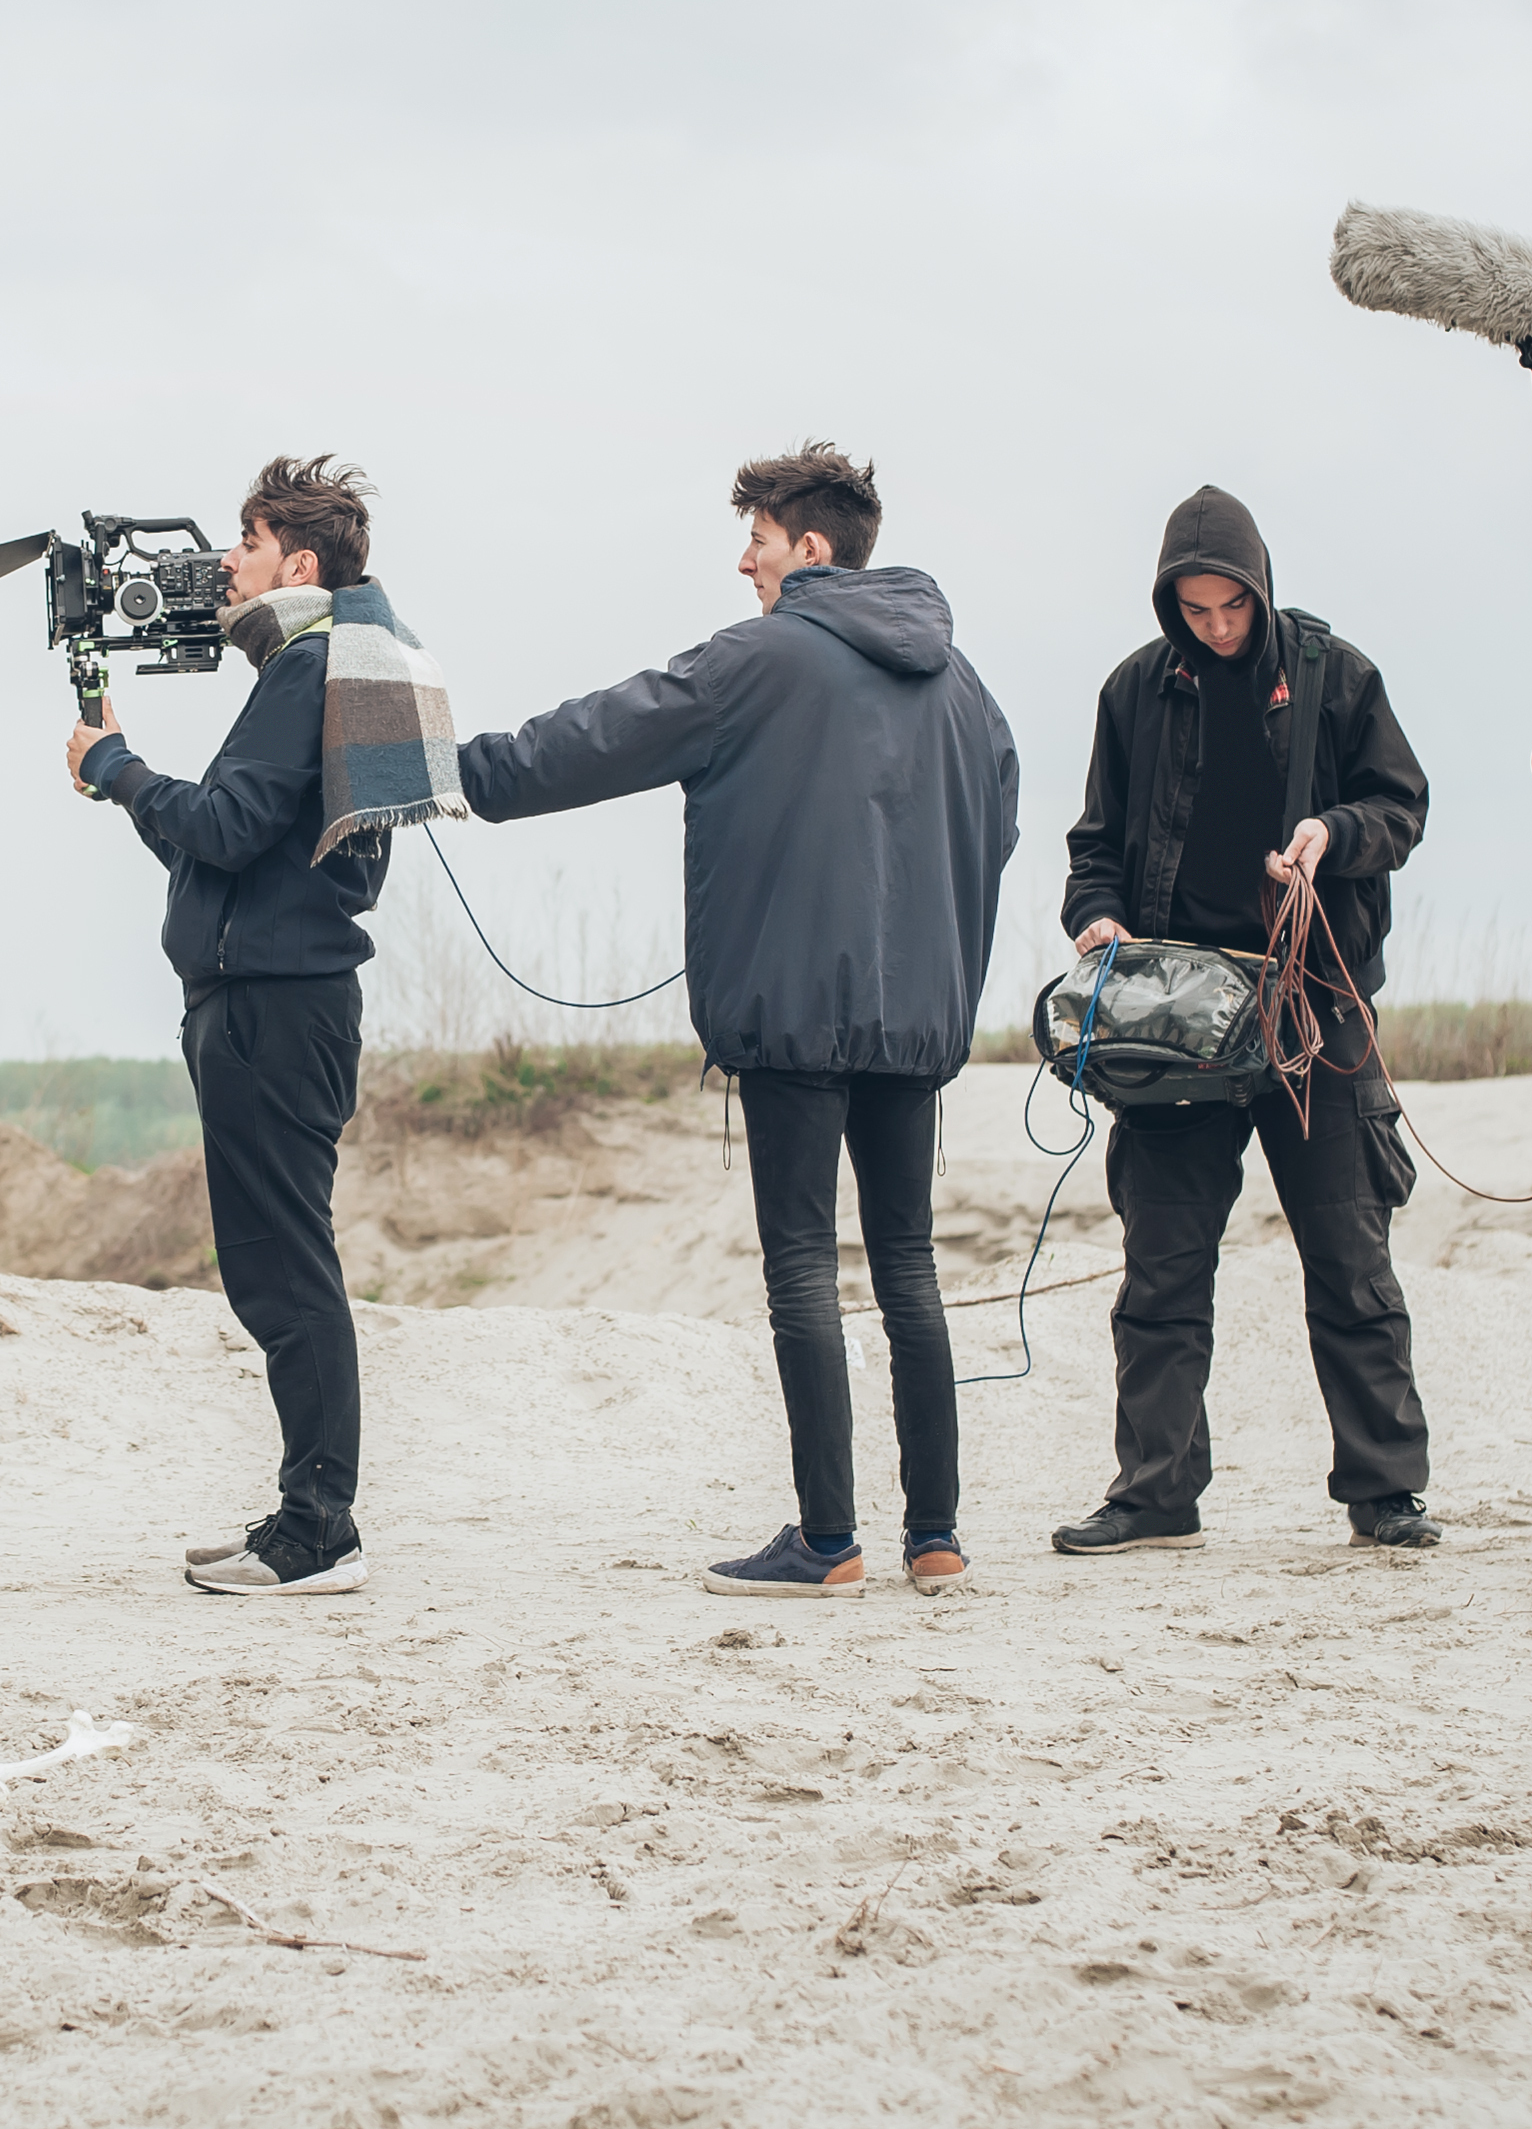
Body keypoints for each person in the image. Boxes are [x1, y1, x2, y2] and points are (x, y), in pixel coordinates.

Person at [453, 443, 1017, 1597]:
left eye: (756, 539)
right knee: (908, 1263)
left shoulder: (756, 659)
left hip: (794, 1012)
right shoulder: (967, 689)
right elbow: (995, 830)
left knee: (803, 1265)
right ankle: (937, 1535)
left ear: (810, 547)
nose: (742, 559)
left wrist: (459, 772)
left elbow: (603, 734)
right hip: (915, 1022)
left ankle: (825, 1541)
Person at [71, 456, 458, 1596]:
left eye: (242, 543)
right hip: (267, 999)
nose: (222, 566)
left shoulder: (306, 669)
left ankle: (320, 1533)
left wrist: (122, 766)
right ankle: (303, 1507)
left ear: (297, 561)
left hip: (275, 1009)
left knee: (287, 1272)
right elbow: (218, 843)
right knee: (275, 1267)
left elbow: (227, 826)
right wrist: (119, 777)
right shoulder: (310, 665)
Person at [1055, 487, 1438, 1557]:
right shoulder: (1132, 690)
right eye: (1194, 610)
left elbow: (1401, 807)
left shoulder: (1338, 675)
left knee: (1351, 1258)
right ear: (1170, 603)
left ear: (1260, 590)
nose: (1215, 626)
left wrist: (1334, 830)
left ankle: (1386, 1492)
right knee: (1162, 1265)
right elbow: (1093, 844)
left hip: (1316, 1009)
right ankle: (1155, 1494)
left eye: (1231, 607)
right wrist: (1096, 917)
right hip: (1178, 1020)